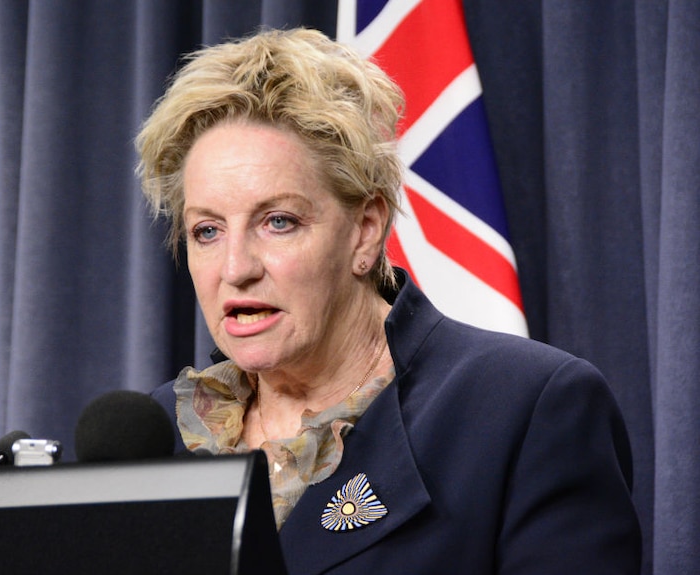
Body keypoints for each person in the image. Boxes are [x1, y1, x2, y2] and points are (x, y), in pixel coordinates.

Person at [136, 27, 640, 575]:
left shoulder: (525, 410)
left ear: (366, 231)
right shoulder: (160, 431)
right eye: (207, 231)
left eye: (278, 222)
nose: (235, 269)